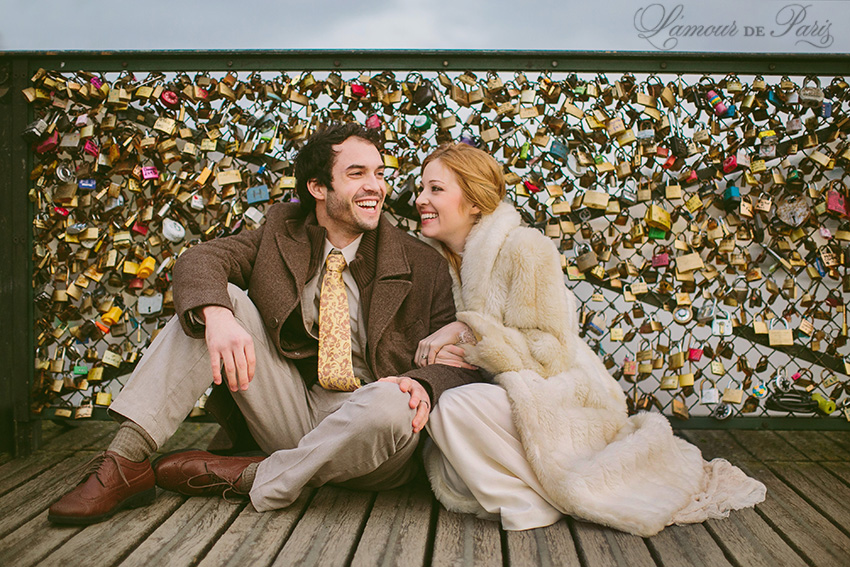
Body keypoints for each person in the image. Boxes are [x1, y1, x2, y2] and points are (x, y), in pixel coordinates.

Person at [48, 123, 481, 525]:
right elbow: (199, 259)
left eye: (379, 173)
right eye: (356, 173)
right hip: (294, 408)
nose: (376, 186)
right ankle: (125, 461)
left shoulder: (421, 262)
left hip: (373, 436)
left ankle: (256, 476)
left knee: (392, 402)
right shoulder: (281, 230)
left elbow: (459, 362)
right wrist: (217, 317)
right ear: (317, 187)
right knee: (219, 301)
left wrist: (424, 385)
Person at [412, 143, 766, 536]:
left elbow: (550, 351)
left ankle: (532, 501)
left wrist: (467, 331)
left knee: (455, 407)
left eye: (435, 189)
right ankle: (540, 492)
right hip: (500, 395)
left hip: (562, 395)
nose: (420, 199)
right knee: (445, 432)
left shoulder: (525, 248)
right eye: (421, 189)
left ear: (475, 201)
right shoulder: (432, 263)